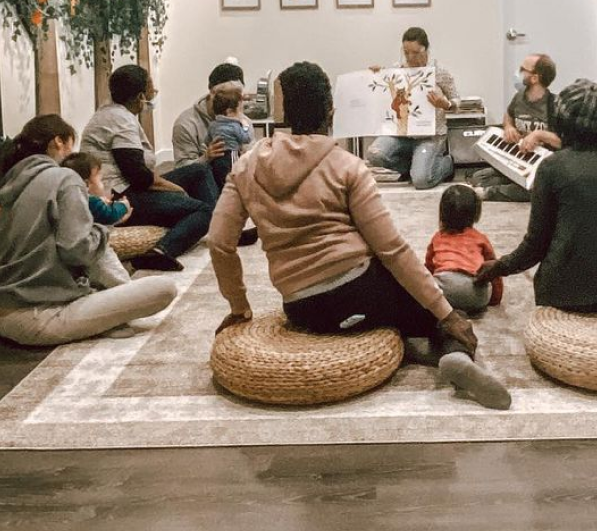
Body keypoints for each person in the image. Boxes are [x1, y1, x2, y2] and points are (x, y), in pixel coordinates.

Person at [208, 62, 510, 410]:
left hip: (303, 308)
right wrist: (447, 313)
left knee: (395, 317)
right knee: (439, 312)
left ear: (283, 112)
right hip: (363, 291)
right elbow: (392, 249)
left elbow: (219, 242)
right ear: (331, 111)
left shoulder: (245, 166)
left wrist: (239, 307)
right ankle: (456, 358)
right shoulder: (347, 166)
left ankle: (415, 345)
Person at [473, 80, 597, 313]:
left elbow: (536, 245)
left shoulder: (553, 167)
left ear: (562, 122)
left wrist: (498, 267)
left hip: (573, 294)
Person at [0, 115, 176, 346]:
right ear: (59, 142)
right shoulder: (64, 178)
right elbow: (76, 249)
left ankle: (102, 317)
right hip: (40, 317)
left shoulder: (12, 180)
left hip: (2, 314)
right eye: (71, 144)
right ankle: (103, 318)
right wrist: (103, 229)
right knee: (164, 289)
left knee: (96, 249)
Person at [81, 65, 240, 271]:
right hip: (120, 196)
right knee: (203, 209)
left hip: (129, 186)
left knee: (200, 171)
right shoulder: (121, 121)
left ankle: (223, 230)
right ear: (140, 96)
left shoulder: (111, 113)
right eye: (150, 91)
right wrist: (175, 190)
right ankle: (161, 251)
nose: (152, 96)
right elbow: (138, 176)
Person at [365, 27, 461, 189]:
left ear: (426, 49)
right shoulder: (398, 70)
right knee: (374, 153)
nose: (410, 57)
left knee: (421, 181)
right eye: (406, 52)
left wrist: (446, 104)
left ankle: (446, 165)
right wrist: (377, 75)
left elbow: (457, 101)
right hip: (402, 134)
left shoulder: (439, 71)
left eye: (415, 53)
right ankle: (412, 167)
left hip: (430, 136)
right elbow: (385, 95)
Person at [469, 53, 561, 202]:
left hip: (542, 164)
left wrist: (539, 135)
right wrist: (508, 127)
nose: (518, 73)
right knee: (478, 177)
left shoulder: (555, 105)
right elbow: (508, 115)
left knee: (537, 190)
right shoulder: (519, 97)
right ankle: (510, 183)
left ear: (535, 78)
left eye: (522, 69)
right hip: (518, 158)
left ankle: (489, 193)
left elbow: (564, 142)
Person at [425, 184, 502, 312]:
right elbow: (494, 269)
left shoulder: (437, 238)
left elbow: (428, 268)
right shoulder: (480, 238)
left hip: (445, 292)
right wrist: (495, 299)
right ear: (476, 214)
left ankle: (451, 308)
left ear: (442, 214)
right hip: (477, 293)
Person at [170, 62, 243, 173]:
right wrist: (206, 157)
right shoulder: (186, 124)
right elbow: (181, 169)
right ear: (212, 93)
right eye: (226, 96)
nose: (231, 103)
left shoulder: (241, 119)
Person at [61, 153, 131, 226]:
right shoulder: (90, 201)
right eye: (100, 180)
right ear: (86, 184)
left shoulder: (70, 198)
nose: (103, 184)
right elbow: (110, 215)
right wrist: (123, 205)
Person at [208, 84, 253, 186]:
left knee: (220, 180)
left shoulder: (213, 125)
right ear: (229, 111)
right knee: (234, 176)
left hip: (216, 158)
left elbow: (207, 140)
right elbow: (246, 138)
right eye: (238, 111)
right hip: (231, 154)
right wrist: (245, 126)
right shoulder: (234, 125)